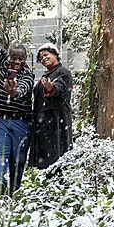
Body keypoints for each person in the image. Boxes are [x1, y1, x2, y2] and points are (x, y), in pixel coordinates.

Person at [0, 16, 35, 194]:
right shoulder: (4, 64)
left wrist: (13, 92)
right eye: (14, 58)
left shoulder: (29, 75)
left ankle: (14, 190)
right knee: (1, 155)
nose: (17, 62)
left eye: (20, 58)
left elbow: (23, 89)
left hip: (22, 123)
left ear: (25, 58)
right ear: (9, 57)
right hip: (2, 122)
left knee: (18, 160)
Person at [29, 42, 73, 170]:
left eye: (46, 55)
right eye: (41, 57)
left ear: (56, 55)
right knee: (45, 158)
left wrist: (51, 89)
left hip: (56, 122)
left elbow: (60, 88)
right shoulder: (46, 75)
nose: (44, 58)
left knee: (55, 157)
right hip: (44, 123)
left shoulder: (62, 72)